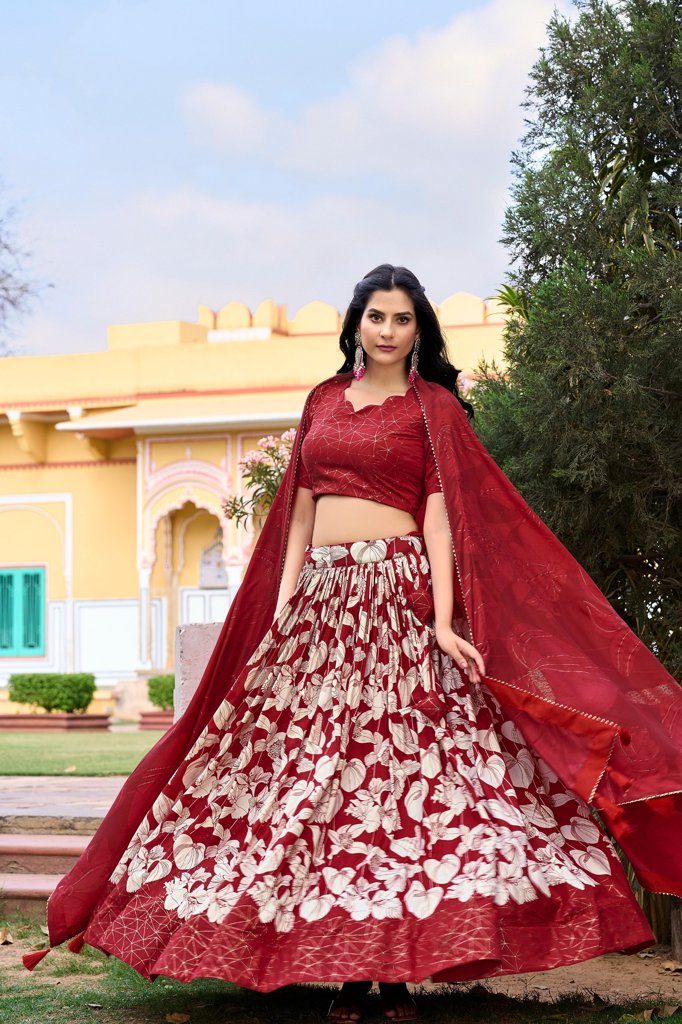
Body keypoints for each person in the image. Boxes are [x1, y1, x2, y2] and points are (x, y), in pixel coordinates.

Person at [27, 265, 682, 1024]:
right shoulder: (322, 402)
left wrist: (441, 621)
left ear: (419, 331)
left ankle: (395, 975)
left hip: (398, 603)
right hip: (321, 607)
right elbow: (298, 517)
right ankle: (342, 973)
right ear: (357, 322)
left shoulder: (432, 409)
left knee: (401, 785)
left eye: (403, 320)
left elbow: (439, 521)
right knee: (314, 784)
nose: (388, 330)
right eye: (377, 316)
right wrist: (279, 615)